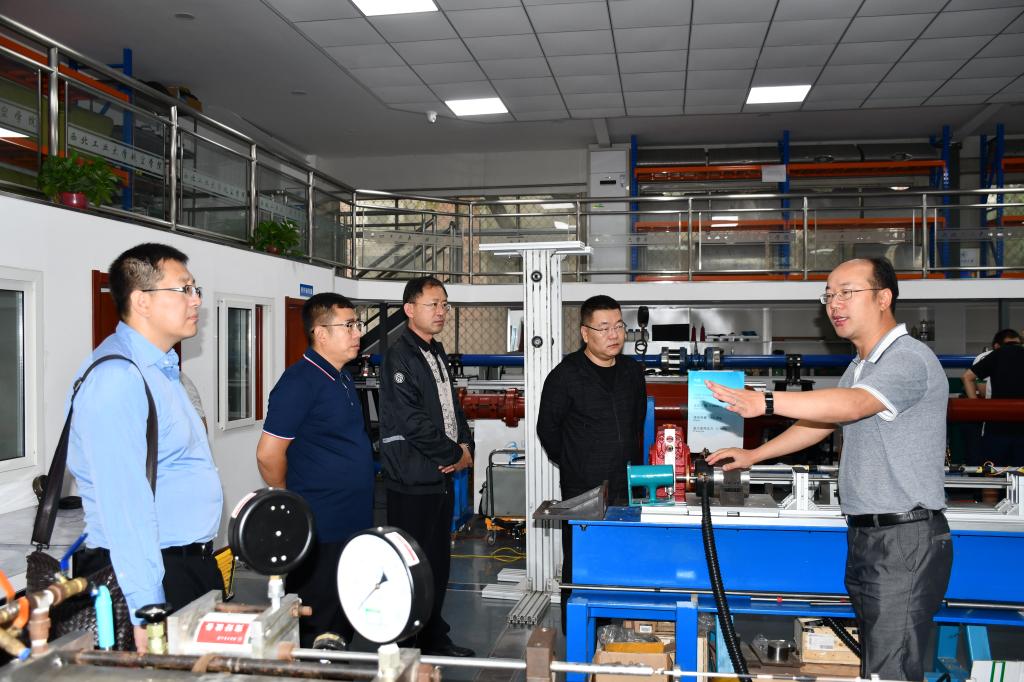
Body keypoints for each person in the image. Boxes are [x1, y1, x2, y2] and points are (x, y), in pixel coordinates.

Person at [705, 257, 951, 681]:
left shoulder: (908, 358)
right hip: (869, 535)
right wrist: (753, 456)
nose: (834, 304)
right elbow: (822, 422)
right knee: (878, 665)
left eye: (846, 293)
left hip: (904, 536)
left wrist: (765, 402)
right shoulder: (861, 365)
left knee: (890, 670)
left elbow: (852, 405)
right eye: (829, 295)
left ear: (883, 298)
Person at [67, 243, 223, 652]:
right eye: (184, 289)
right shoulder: (118, 378)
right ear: (142, 301)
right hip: (147, 575)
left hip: (185, 565)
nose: (196, 300)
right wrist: (146, 607)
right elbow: (124, 505)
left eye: (195, 289)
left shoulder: (161, 370)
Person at [256, 293, 373, 647]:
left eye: (357, 324)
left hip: (351, 521)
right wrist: (286, 499)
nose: (358, 333)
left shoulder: (342, 378)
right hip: (320, 526)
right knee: (317, 617)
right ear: (321, 333)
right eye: (349, 326)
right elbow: (268, 454)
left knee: (343, 613)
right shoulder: (299, 382)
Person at [536, 295, 647, 633]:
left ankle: (618, 632)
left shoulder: (632, 372)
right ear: (585, 333)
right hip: (582, 487)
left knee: (622, 556)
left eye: (619, 326)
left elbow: (637, 422)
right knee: (581, 561)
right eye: (604, 328)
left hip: (626, 484)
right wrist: (575, 463)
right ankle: (578, 634)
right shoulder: (565, 376)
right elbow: (547, 429)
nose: (614, 334)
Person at [378, 276, 475, 657]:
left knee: (437, 562)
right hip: (413, 480)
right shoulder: (399, 356)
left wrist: (465, 445)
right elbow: (412, 421)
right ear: (409, 309)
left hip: (439, 476)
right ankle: (406, 643)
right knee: (410, 565)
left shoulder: (435, 351)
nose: (441, 311)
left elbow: (452, 407)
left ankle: (434, 635)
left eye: (444, 304)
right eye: (433, 304)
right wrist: (452, 455)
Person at [961, 328, 1024, 467]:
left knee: (991, 472)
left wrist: (975, 406)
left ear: (997, 345)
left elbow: (967, 377)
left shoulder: (996, 354)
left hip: (997, 423)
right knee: (1020, 474)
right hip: (1019, 425)